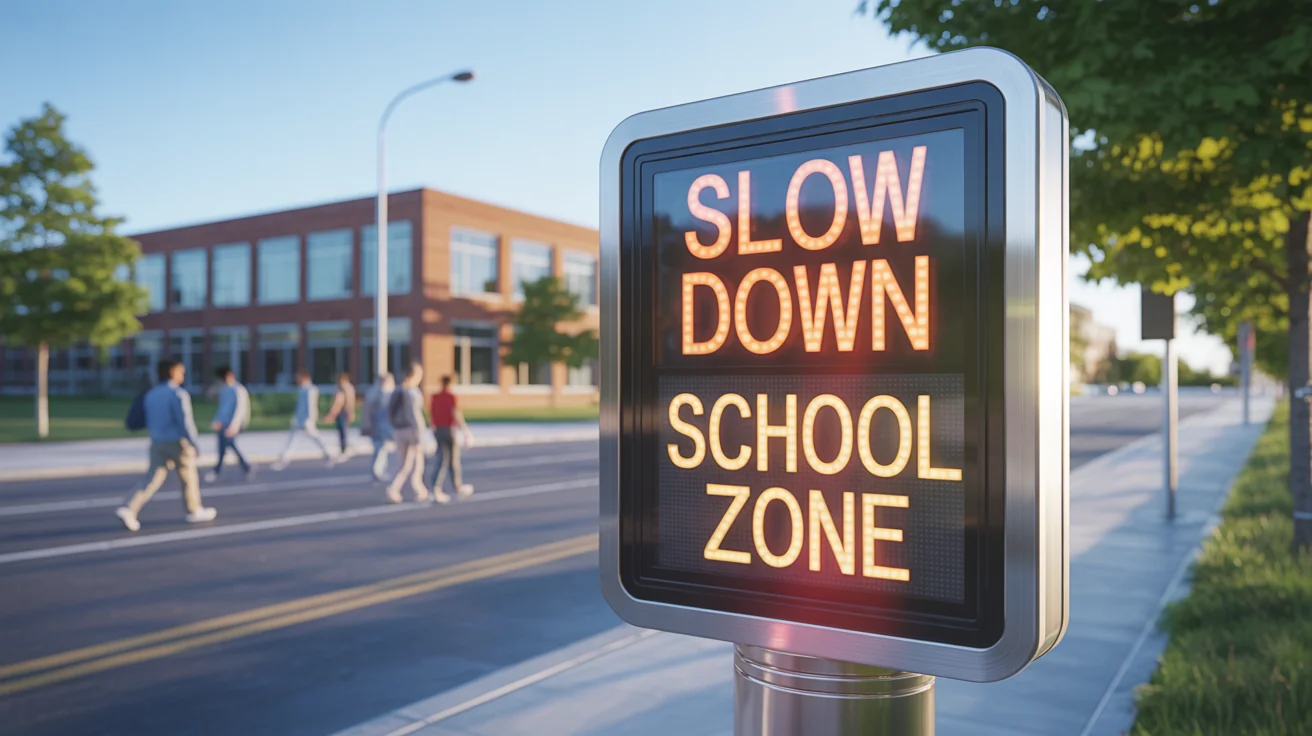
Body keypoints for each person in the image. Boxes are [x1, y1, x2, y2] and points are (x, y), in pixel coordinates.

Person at [115, 359, 217, 532]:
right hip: (177, 442)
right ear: (173, 372)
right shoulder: (178, 394)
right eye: (181, 372)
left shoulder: (151, 394)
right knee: (188, 477)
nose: (183, 375)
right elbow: (185, 422)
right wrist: (194, 443)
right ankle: (194, 509)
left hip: (157, 441)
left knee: (152, 479)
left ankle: (129, 508)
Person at [385, 362, 434, 504]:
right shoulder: (413, 392)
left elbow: (390, 411)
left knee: (404, 463)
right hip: (412, 429)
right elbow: (415, 414)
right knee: (418, 462)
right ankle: (419, 488)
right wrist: (421, 432)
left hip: (398, 429)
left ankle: (394, 488)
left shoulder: (397, 390)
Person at [270, 369, 333, 471]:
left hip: (307, 421)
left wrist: (309, 419)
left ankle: (328, 454)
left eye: (299, 378)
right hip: (300, 420)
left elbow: (311, 406)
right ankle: (284, 459)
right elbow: (299, 406)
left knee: (316, 438)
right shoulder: (301, 389)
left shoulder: (311, 390)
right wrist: (295, 417)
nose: (297, 380)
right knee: (293, 440)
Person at [428, 375, 475, 499]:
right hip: (449, 429)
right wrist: (465, 430)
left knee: (441, 457)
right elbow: (455, 413)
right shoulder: (451, 397)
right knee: (452, 460)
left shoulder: (435, 397)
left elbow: (432, 413)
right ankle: (455, 486)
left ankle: (436, 486)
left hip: (438, 429)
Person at [204, 367, 253, 483]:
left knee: (225, 445)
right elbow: (221, 406)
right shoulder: (224, 390)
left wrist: (234, 424)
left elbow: (240, 409)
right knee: (226, 445)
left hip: (233, 423)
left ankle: (218, 470)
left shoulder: (239, 390)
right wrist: (217, 420)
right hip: (223, 423)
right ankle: (246, 467)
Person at [361, 372, 395, 482]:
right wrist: (367, 424)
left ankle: (380, 470)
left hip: (384, 425)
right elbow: (368, 410)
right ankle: (377, 470)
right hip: (378, 425)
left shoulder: (384, 393)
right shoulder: (377, 394)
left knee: (382, 448)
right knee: (380, 448)